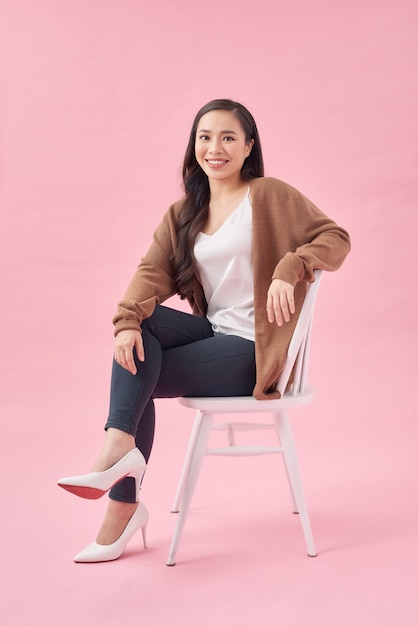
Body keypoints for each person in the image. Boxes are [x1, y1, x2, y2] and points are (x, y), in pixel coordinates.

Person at [58, 98, 350, 563]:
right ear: (194, 145)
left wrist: (289, 267)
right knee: (138, 335)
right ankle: (121, 450)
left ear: (249, 146)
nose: (215, 148)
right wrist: (125, 323)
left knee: (139, 369)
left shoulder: (269, 195)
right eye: (205, 137)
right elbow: (151, 272)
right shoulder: (184, 214)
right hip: (213, 335)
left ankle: (121, 498)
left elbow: (336, 238)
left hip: (256, 350)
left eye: (229, 137)